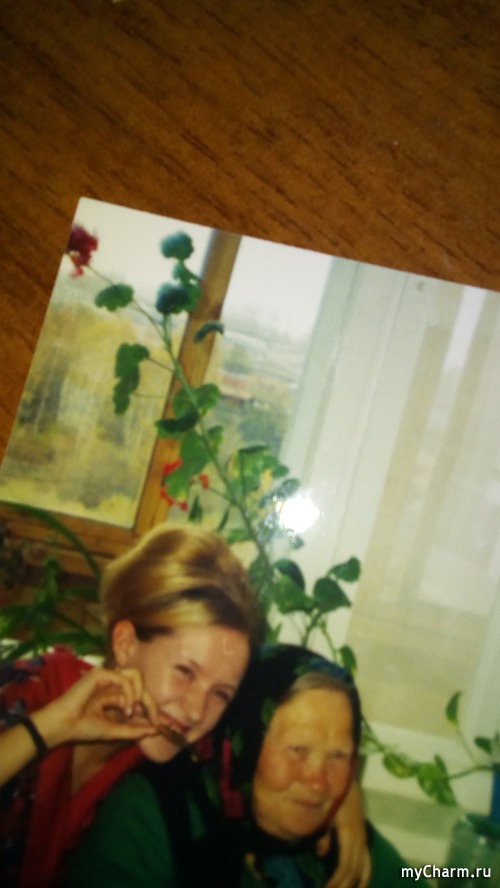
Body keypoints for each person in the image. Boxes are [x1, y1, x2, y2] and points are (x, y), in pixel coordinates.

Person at [0, 524, 261, 888]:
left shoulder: (163, 754)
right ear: (125, 644)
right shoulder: (29, 689)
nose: (195, 711)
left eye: (221, 694)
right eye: (185, 671)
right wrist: (48, 728)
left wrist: (336, 802)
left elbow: (289, 696)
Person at [67, 645, 418, 888]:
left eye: (338, 755)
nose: (318, 783)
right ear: (243, 745)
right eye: (297, 750)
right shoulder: (152, 816)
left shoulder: (343, 841)